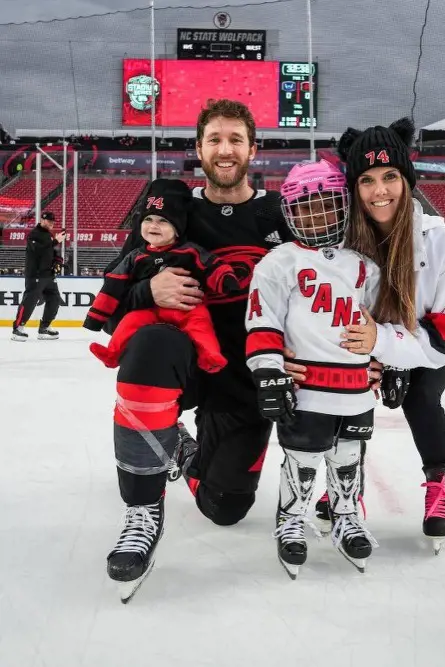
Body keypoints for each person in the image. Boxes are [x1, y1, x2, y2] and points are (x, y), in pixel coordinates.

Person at [96, 99, 295, 602]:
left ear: (253, 149)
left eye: (235, 140)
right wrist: (148, 292)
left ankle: (185, 449)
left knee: (224, 510)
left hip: (245, 381)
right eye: (214, 139)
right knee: (151, 342)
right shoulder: (171, 211)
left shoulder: (278, 215)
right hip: (184, 364)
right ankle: (142, 511)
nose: (225, 150)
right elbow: (115, 301)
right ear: (199, 149)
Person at [310, 117, 445, 554]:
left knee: (422, 399)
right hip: (363, 349)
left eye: (389, 176)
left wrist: (384, 346)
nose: (378, 190)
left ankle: (442, 479)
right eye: (366, 180)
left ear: (407, 179)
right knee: (345, 391)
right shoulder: (341, 244)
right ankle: (346, 477)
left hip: (424, 351)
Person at [243, 159, 386, 577]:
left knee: (348, 455)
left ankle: (346, 516)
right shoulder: (278, 262)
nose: (316, 214)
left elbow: (382, 323)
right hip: (306, 385)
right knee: (302, 458)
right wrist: (269, 370)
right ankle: (291, 518)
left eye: (325, 203)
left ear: (343, 204)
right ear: (290, 213)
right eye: (305, 207)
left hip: (356, 385)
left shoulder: (364, 264)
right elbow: (262, 319)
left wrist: (390, 365)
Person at [83, 179, 243, 371]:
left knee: (200, 325)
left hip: (195, 320)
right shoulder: (136, 253)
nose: (153, 226)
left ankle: (210, 356)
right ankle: (113, 353)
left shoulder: (191, 249)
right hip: (150, 343)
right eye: (148, 219)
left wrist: (226, 280)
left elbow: (212, 266)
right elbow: (112, 292)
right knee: (131, 323)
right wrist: (145, 292)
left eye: (162, 221)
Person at [11, 211, 65, 341]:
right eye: (48, 221)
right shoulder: (34, 234)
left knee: (55, 299)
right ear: (42, 220)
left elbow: (51, 252)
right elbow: (38, 250)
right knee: (30, 300)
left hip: (48, 275)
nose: (51, 224)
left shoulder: (48, 235)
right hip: (35, 274)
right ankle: (17, 328)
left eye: (52, 222)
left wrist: (58, 260)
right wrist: (55, 241)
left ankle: (44, 328)